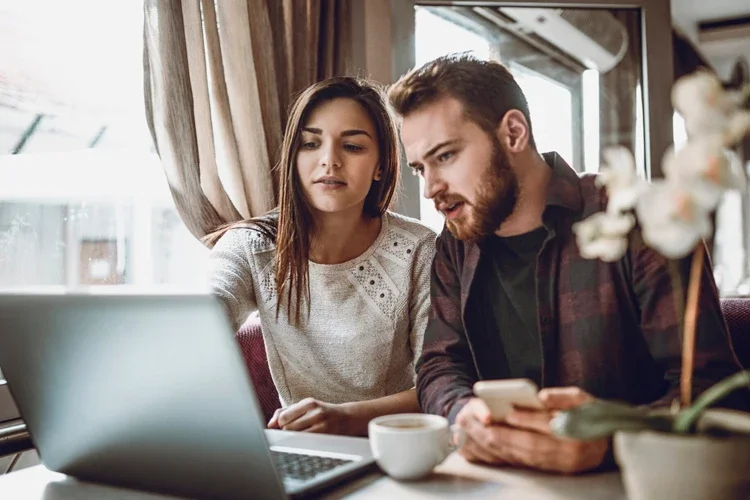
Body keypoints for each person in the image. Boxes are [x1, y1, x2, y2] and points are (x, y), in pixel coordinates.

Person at [387, 54, 746, 473]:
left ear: (514, 133)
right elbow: (438, 365)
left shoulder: (641, 219)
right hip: (502, 480)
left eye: (445, 156)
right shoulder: (455, 244)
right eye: (419, 168)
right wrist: (462, 412)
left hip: (636, 482)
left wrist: (611, 440)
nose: (431, 188)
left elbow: (714, 394)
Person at [207, 77, 436, 437]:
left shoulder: (418, 249)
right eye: (310, 144)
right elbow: (205, 313)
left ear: (381, 165)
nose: (329, 160)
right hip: (304, 450)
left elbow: (439, 386)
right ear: (293, 159)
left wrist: (347, 418)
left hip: (397, 447)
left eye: (352, 146)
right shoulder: (251, 245)